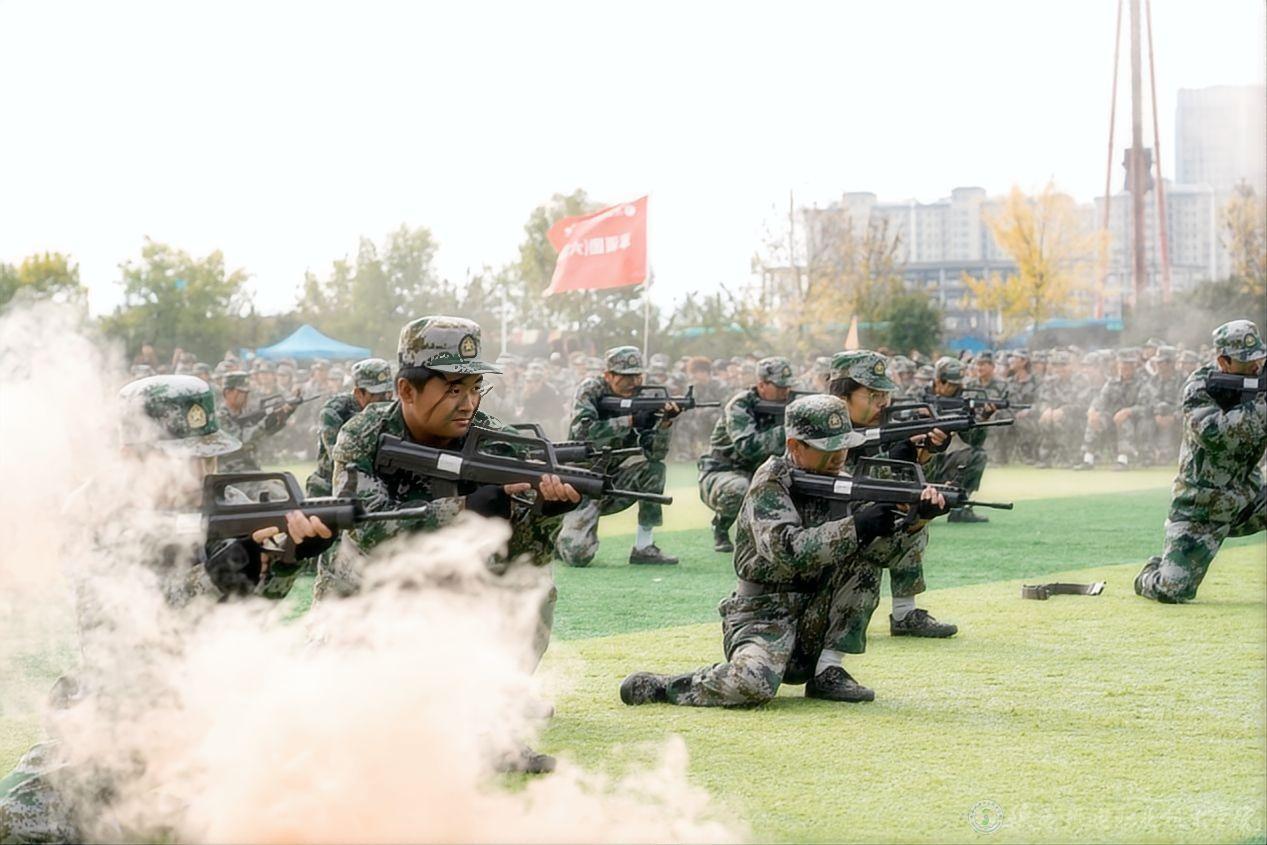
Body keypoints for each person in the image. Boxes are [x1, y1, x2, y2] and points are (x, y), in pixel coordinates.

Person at [0, 375, 331, 842]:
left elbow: (250, 615)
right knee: (18, 818)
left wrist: (285, 561)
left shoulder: (227, 506)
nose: (199, 473)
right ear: (131, 457)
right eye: (182, 460)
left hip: (217, 705)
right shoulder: (95, 515)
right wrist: (214, 575)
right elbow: (119, 628)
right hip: (124, 713)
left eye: (207, 457)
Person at [324, 316, 580, 774]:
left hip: (455, 583)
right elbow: (370, 530)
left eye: (476, 388)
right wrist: (466, 509)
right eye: (453, 388)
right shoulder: (363, 435)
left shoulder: (493, 439)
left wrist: (546, 514)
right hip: (368, 590)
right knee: (343, 728)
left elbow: (524, 557)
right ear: (406, 390)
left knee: (531, 585)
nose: (468, 403)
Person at [619, 394, 943, 708]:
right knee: (751, 684)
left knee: (864, 553)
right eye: (827, 449)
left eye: (844, 446)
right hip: (762, 614)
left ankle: (828, 670)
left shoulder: (843, 483)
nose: (838, 457)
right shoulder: (770, 483)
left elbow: (884, 556)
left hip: (815, 615)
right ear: (795, 446)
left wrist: (915, 522)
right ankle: (665, 686)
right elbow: (788, 550)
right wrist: (857, 526)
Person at [829, 351, 959, 637]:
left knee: (911, 515)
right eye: (872, 395)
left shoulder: (879, 425)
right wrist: (893, 457)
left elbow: (902, 482)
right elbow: (838, 481)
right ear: (842, 397)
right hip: (823, 534)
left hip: (853, 526)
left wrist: (924, 452)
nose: (883, 402)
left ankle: (904, 612)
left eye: (884, 394)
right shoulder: (819, 425)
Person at [1134, 320, 1266, 603]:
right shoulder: (1200, 387)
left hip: (1250, 496)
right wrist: (1262, 407)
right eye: (1247, 361)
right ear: (1223, 361)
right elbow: (1216, 435)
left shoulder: (1260, 378)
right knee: (1172, 590)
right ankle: (1151, 573)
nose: (1256, 366)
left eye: (1259, 357)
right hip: (1202, 506)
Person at [555, 346, 681, 566]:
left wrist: (665, 424)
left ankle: (644, 546)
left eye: (637, 375)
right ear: (608, 375)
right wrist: (630, 421)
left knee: (654, 469)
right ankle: (557, 535)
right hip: (579, 482)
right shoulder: (590, 390)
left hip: (611, 481)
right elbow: (583, 433)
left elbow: (655, 454)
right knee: (577, 556)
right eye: (626, 377)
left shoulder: (644, 397)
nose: (634, 382)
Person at [698, 356, 795, 552]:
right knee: (739, 488)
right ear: (762, 385)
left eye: (787, 386)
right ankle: (721, 526)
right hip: (723, 472)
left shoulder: (791, 403)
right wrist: (788, 429)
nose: (785, 391)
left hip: (762, 473)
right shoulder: (739, 405)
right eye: (780, 386)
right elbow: (748, 447)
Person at [305, 358, 394, 497]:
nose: (386, 399)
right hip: (331, 488)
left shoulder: (391, 410)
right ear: (359, 393)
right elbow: (341, 459)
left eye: (389, 393)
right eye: (379, 395)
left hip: (374, 486)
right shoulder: (335, 412)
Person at [925, 356, 995, 523]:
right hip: (916, 463)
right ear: (938, 380)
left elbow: (974, 441)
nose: (955, 388)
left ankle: (960, 507)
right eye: (951, 384)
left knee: (977, 455)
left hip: (939, 463)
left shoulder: (961, 400)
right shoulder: (917, 395)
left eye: (957, 385)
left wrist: (983, 418)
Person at [1077, 348, 1148, 471]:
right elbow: (1101, 399)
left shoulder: (1143, 383)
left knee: (1124, 420)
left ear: (1135, 365)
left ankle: (1123, 460)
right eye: (1123, 363)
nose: (1126, 366)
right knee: (1096, 418)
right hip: (1112, 417)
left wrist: (1128, 411)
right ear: (1118, 364)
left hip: (1135, 419)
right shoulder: (1112, 383)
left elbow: (1146, 407)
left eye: (1129, 363)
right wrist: (1093, 410)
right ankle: (1088, 459)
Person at [216, 371, 298, 471]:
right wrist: (267, 422)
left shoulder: (247, 414)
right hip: (229, 471)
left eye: (247, 393)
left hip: (251, 468)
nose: (246, 396)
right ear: (227, 393)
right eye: (241, 392)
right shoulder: (219, 418)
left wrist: (284, 414)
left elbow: (266, 433)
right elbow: (241, 440)